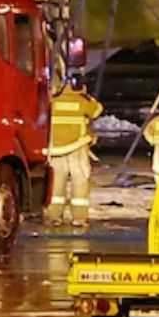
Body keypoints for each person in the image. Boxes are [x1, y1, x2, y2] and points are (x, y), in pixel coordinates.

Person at [47, 73, 104, 227]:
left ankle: (54, 217)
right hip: (77, 147)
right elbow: (97, 110)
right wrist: (85, 95)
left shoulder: (53, 101)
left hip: (55, 149)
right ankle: (79, 218)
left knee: (56, 185)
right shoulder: (82, 101)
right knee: (80, 183)